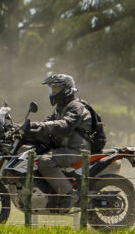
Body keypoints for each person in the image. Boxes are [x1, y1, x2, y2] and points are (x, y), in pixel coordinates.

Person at [22, 73, 93, 212]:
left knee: (45, 161)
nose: (53, 92)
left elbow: (65, 124)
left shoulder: (76, 107)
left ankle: (70, 195)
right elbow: (47, 122)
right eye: (52, 89)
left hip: (77, 149)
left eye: (56, 89)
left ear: (66, 89)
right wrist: (22, 127)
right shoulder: (60, 109)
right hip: (65, 148)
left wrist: (40, 126)